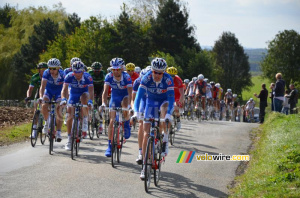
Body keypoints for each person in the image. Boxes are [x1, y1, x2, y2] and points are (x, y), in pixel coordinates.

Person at [133, 57, 174, 179]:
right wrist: (136, 112)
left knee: (164, 113)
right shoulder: (146, 79)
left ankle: (165, 139)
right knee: (146, 133)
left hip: (164, 101)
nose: (157, 75)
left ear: (164, 72)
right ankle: (145, 166)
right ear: (152, 71)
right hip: (151, 102)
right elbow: (138, 98)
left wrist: (168, 115)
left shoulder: (168, 80)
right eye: (155, 72)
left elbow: (171, 100)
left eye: (160, 73)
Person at [101, 57, 132, 157]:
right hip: (115, 98)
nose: (115, 71)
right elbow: (105, 92)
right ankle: (110, 146)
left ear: (122, 69)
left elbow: (130, 93)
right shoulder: (109, 76)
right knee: (111, 121)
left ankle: (126, 123)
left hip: (125, 96)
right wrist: (103, 103)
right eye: (113, 69)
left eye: (117, 69)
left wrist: (131, 105)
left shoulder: (126, 77)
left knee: (124, 104)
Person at [60, 61, 94, 150]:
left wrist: (90, 101)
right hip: (73, 94)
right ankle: (69, 139)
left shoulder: (88, 77)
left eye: (79, 72)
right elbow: (64, 90)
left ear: (83, 71)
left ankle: (85, 119)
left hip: (84, 93)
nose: (77, 74)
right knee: (69, 113)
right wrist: (63, 99)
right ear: (72, 71)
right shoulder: (69, 76)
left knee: (84, 99)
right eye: (75, 72)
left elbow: (91, 91)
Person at [39, 58, 65, 142]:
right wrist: (40, 97)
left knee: (59, 109)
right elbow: (42, 87)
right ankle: (47, 122)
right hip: (49, 91)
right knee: (44, 105)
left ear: (58, 68)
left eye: (54, 69)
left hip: (58, 92)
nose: (51, 70)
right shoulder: (46, 73)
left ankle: (58, 132)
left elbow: (66, 88)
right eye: (50, 68)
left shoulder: (63, 74)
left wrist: (64, 99)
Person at [131, 67, 151, 164]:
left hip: (153, 102)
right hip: (143, 102)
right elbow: (135, 99)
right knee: (142, 125)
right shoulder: (137, 82)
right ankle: (140, 152)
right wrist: (135, 111)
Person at [26, 62, 48, 138]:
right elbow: (30, 89)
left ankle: (47, 124)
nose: (43, 71)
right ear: (38, 70)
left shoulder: (49, 76)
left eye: (45, 69)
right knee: (36, 111)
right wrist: (28, 97)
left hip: (48, 92)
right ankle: (34, 130)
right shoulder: (35, 77)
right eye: (42, 69)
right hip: (39, 92)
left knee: (46, 107)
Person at [88, 62, 106, 134]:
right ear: (93, 70)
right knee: (91, 101)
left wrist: (103, 95)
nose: (97, 72)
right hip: (93, 87)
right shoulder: (90, 73)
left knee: (100, 105)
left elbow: (105, 84)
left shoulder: (103, 73)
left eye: (98, 70)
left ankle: (101, 124)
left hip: (100, 88)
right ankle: (91, 116)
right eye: (95, 71)